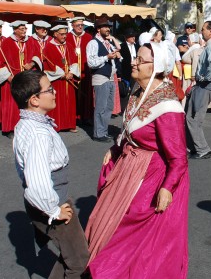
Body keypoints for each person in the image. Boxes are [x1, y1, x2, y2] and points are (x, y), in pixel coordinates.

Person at [85, 42, 188, 277]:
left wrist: (167, 188)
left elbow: (179, 157)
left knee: (131, 223)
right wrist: (115, 148)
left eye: (140, 60)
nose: (134, 62)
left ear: (156, 66)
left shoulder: (167, 106)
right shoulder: (139, 92)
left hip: (153, 173)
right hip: (130, 165)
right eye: (137, 58)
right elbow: (131, 130)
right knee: (110, 216)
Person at [11, 70, 89, 279]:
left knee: (70, 256)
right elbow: (36, 179)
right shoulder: (37, 133)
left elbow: (23, 170)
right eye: (50, 89)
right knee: (79, 261)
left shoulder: (30, 124)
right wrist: (53, 210)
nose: (54, 93)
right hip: (53, 203)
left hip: (53, 200)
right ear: (34, 100)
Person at [185, 21, 211, 159]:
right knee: (190, 116)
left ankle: (202, 149)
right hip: (203, 84)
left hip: (206, 84)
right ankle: (193, 147)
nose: (201, 32)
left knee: (195, 119)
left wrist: (204, 77)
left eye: (203, 29)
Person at [0, 21, 43, 135]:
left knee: (27, 104)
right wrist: (9, 77)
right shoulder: (6, 43)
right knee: (11, 104)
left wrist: (31, 64)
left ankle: (27, 128)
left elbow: (38, 56)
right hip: (12, 79)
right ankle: (11, 129)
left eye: (25, 28)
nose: (24, 31)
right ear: (15, 30)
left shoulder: (31, 41)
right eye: (21, 29)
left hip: (27, 79)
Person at [87, 18, 121, 143]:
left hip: (110, 77)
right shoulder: (93, 43)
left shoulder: (108, 43)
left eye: (108, 27)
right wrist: (107, 57)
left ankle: (104, 131)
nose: (108, 29)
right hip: (101, 78)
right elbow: (91, 63)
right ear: (98, 29)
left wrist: (116, 56)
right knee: (101, 107)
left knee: (109, 107)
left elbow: (116, 55)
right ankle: (98, 133)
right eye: (105, 27)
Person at [43, 23, 79, 133]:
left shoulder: (68, 45)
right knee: (57, 102)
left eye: (65, 34)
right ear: (55, 34)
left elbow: (74, 60)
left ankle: (69, 124)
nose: (64, 36)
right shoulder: (49, 47)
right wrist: (62, 74)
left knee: (70, 102)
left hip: (69, 78)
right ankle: (57, 125)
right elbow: (48, 64)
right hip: (58, 80)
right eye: (62, 34)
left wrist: (71, 72)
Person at [67, 17, 94, 126]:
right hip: (71, 71)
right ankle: (72, 117)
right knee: (72, 95)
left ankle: (85, 116)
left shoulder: (88, 37)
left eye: (82, 25)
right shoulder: (67, 37)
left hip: (85, 70)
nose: (80, 27)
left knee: (86, 95)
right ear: (72, 25)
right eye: (78, 25)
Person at [181, 33, 202, 101]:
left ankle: (187, 107)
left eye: (189, 39)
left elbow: (195, 61)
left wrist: (193, 75)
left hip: (190, 74)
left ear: (192, 40)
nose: (188, 41)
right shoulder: (193, 48)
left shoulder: (196, 49)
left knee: (188, 90)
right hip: (188, 73)